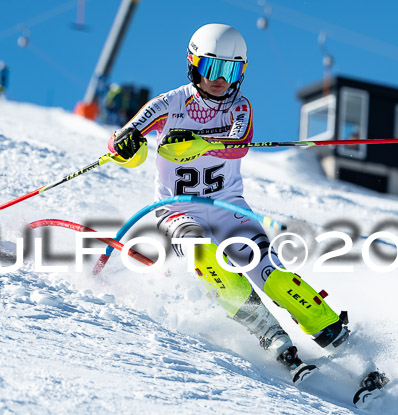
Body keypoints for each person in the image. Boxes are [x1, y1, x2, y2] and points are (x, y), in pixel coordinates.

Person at [107, 24, 350, 386]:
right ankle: (268, 332)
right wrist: (125, 147)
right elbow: (123, 141)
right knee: (205, 256)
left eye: (231, 71)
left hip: (230, 208)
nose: (221, 80)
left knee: (272, 274)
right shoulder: (168, 104)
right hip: (178, 210)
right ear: (193, 64)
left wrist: (193, 142)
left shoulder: (240, 107)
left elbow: (235, 144)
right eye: (212, 68)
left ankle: (332, 331)